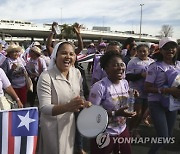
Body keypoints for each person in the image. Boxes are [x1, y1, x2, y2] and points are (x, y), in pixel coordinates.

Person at [37, 41, 91, 154]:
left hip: (69, 124)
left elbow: (79, 94)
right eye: (64, 53)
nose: (68, 57)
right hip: (51, 127)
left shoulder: (76, 73)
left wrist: (83, 103)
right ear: (55, 56)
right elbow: (44, 107)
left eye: (71, 54)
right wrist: (67, 107)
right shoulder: (46, 77)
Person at [89, 51, 136, 154]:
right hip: (104, 133)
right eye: (115, 65)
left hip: (122, 130)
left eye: (121, 64)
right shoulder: (99, 87)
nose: (120, 68)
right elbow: (92, 113)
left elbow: (122, 102)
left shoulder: (124, 83)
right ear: (106, 68)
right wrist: (116, 113)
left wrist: (132, 95)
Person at [144, 37, 180, 154]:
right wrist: (166, 91)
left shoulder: (178, 65)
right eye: (166, 48)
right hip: (156, 103)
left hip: (173, 103)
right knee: (163, 136)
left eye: (172, 48)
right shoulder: (154, 66)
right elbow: (147, 88)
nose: (170, 50)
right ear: (161, 50)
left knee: (167, 136)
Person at [126, 44, 154, 137]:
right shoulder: (133, 62)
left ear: (148, 52)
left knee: (143, 115)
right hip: (135, 92)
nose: (142, 53)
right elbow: (128, 76)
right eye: (140, 51)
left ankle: (134, 129)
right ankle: (128, 130)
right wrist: (141, 75)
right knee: (137, 113)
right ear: (137, 52)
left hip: (148, 92)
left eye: (144, 51)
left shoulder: (152, 62)